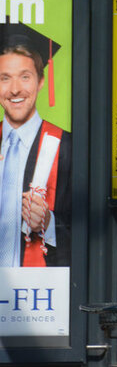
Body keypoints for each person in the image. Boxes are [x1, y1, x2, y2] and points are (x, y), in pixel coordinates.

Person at [0, 23, 71, 267]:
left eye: (25, 77)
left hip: (40, 286)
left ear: (40, 81)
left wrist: (48, 224)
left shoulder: (67, 147)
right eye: (5, 78)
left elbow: (86, 230)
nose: (15, 89)